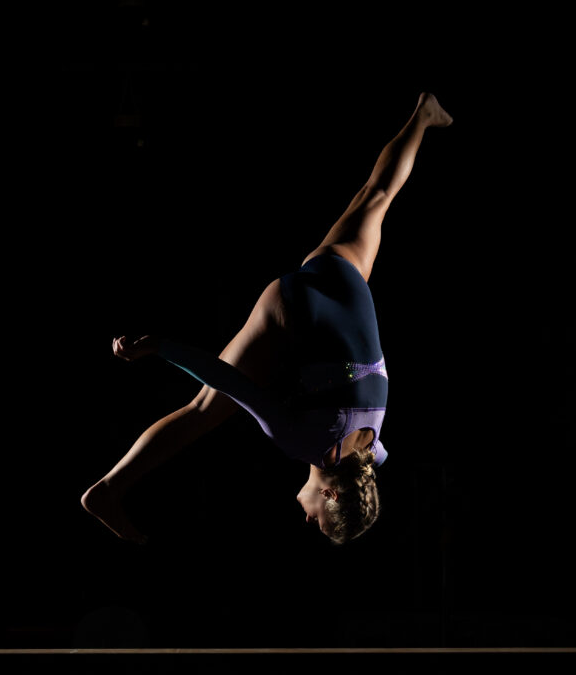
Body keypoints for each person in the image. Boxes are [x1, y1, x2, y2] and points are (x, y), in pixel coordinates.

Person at [82, 92, 453, 545]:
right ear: (331, 496)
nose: (308, 521)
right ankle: (107, 489)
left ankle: (423, 115)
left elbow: (372, 456)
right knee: (205, 409)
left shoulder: (374, 452)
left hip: (345, 276)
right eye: (319, 521)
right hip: (293, 303)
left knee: (377, 195)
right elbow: (227, 380)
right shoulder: (304, 442)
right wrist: (159, 347)